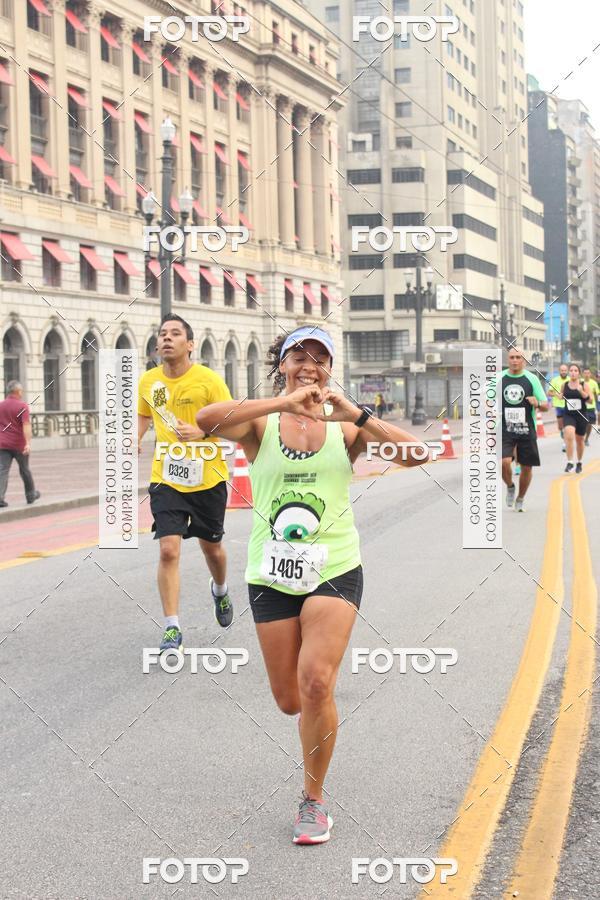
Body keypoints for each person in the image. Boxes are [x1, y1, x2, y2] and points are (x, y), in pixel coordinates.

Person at [196, 325, 430, 844]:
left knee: (317, 682)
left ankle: (313, 800)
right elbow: (206, 420)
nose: (309, 364)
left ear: (329, 368)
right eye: (298, 355)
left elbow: (420, 455)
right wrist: (281, 401)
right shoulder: (262, 426)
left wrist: (360, 416)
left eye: (319, 357)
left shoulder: (347, 429)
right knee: (289, 699)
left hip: (335, 566)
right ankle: (312, 723)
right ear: (281, 364)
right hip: (271, 571)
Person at [137, 314, 234, 652]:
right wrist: (134, 439)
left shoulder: (208, 380)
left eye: (175, 334)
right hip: (167, 476)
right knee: (168, 549)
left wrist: (203, 431)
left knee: (212, 549)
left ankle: (220, 590)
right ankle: (171, 627)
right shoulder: (149, 381)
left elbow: (231, 417)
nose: (166, 338)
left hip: (208, 475)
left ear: (189, 344)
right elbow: (144, 413)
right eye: (162, 334)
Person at [501, 348, 548, 512]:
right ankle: (510, 486)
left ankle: (520, 498)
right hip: (505, 429)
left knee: (527, 467)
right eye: (512, 357)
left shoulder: (532, 379)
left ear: (523, 360)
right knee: (504, 462)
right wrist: (488, 407)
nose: (514, 360)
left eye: (518, 357)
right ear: (508, 359)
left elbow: (545, 405)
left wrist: (537, 403)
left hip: (526, 429)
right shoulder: (499, 378)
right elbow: (486, 398)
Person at [0, 380, 40, 508]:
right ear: (17, 391)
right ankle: (30, 495)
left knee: (2, 471)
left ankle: (0, 498)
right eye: (21, 391)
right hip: (19, 445)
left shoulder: (1, 405)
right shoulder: (22, 406)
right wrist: (28, 443)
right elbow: (26, 425)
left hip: (3, 445)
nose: (22, 393)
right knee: (24, 470)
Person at [561, 364, 591, 473]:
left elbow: (590, 400)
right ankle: (570, 462)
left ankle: (579, 462)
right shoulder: (564, 385)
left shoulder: (584, 385)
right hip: (569, 415)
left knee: (580, 440)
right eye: (571, 370)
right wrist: (559, 396)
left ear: (579, 373)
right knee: (569, 434)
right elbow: (561, 396)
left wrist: (581, 391)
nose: (573, 372)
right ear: (569, 372)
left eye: (575, 370)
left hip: (581, 415)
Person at [548, 364, 569, 451]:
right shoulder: (554, 380)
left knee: (567, 426)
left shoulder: (570, 380)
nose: (563, 372)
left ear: (567, 371)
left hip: (568, 406)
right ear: (559, 371)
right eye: (562, 370)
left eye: (565, 370)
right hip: (558, 406)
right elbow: (549, 393)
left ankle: (565, 444)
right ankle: (561, 431)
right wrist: (557, 394)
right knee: (561, 426)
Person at [582, 367, 599, 446]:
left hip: (591, 406)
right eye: (585, 373)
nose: (586, 375)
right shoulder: (580, 382)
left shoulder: (594, 383)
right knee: (583, 423)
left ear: (590, 374)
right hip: (582, 407)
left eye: (588, 373)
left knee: (590, 424)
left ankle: (586, 439)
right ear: (583, 374)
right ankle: (581, 437)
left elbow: (597, 394)